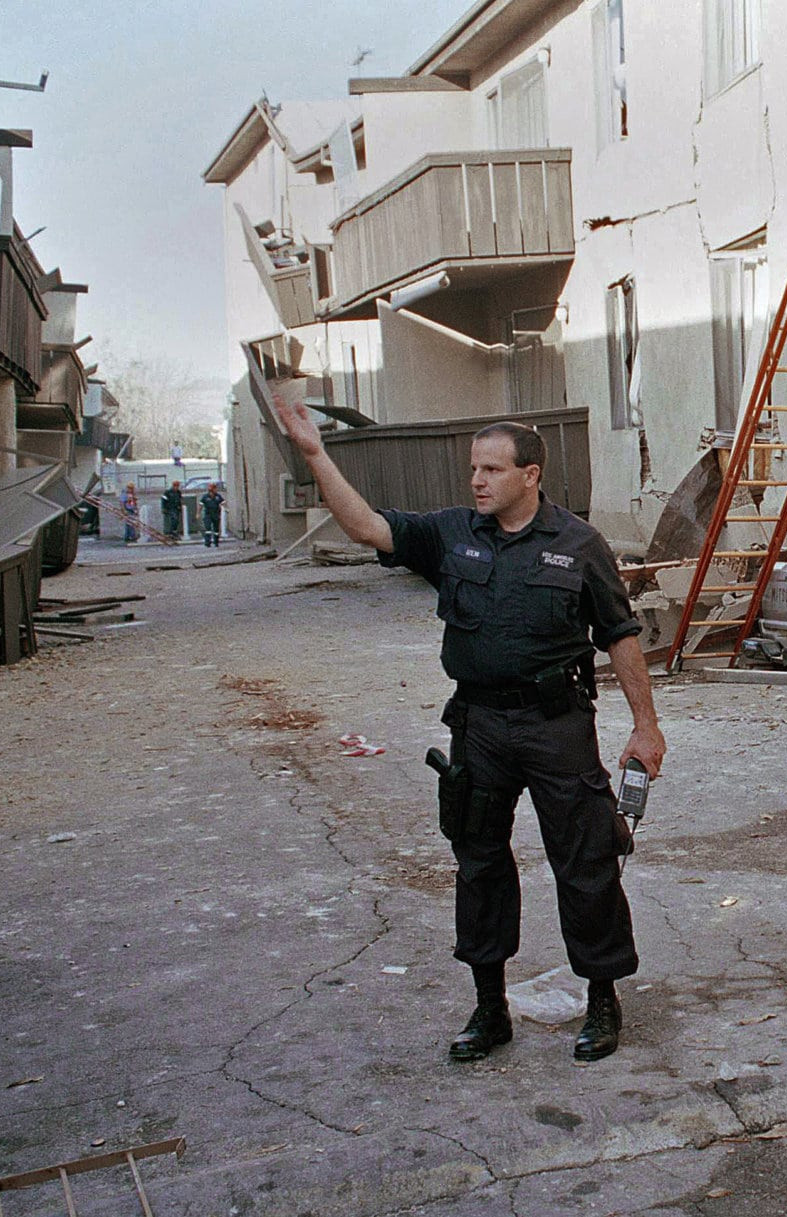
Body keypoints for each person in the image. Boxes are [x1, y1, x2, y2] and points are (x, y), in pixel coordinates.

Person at [271, 397, 666, 1064]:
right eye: (473, 468)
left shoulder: (578, 544)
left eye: (491, 468)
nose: (477, 480)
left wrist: (646, 727)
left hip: (557, 723)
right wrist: (315, 454)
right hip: (478, 725)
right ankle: (490, 1008)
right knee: (479, 862)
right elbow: (366, 525)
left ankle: (601, 1001)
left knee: (587, 859)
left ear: (530, 474)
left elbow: (620, 635)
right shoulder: (453, 532)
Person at [200, 483, 225, 548]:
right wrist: (198, 513)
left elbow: (223, 503)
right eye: (214, 488)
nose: (216, 490)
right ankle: (207, 542)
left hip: (216, 514)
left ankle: (216, 542)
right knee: (208, 528)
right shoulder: (205, 496)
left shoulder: (218, 496)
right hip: (208, 514)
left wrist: (225, 508)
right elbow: (201, 505)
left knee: (216, 529)